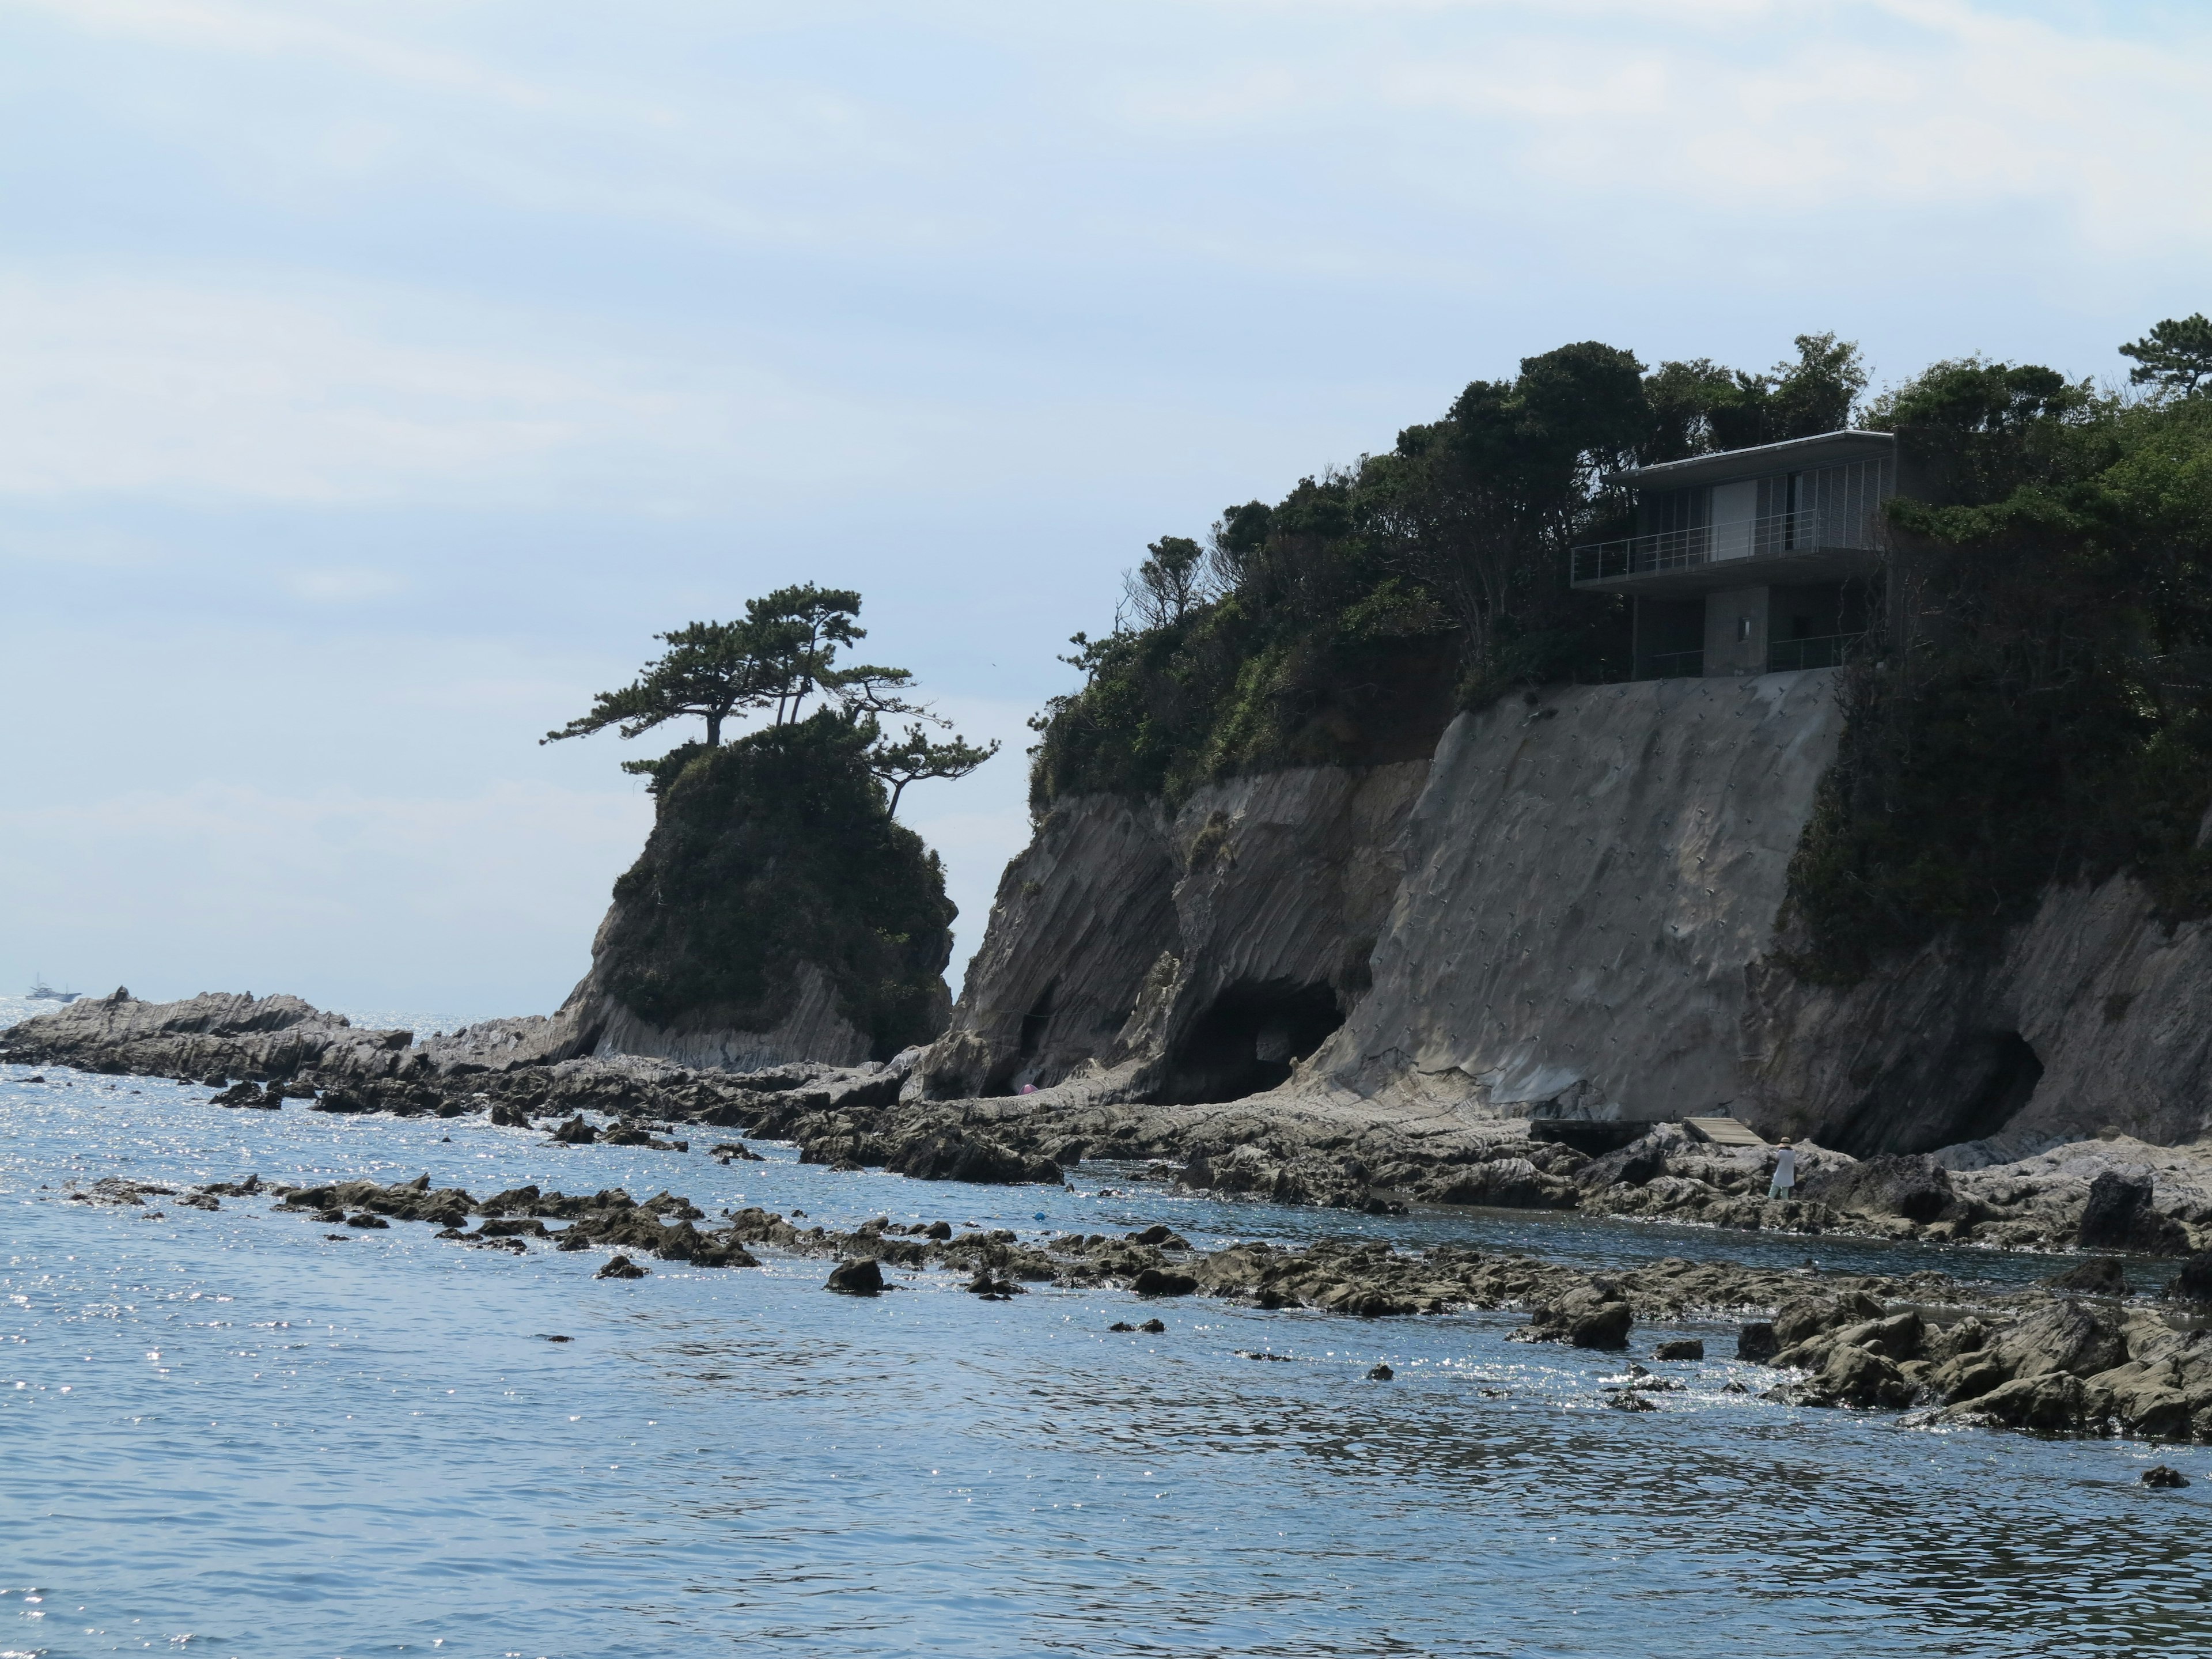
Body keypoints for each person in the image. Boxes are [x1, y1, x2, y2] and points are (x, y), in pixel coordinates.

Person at [1768, 1137, 1797, 1202]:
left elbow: (1776, 1159)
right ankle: (1785, 1204)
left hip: (1780, 1173)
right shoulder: (1793, 1152)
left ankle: (1769, 1202)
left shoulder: (1781, 1152)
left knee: (1773, 1190)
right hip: (1789, 1174)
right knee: (1785, 1192)